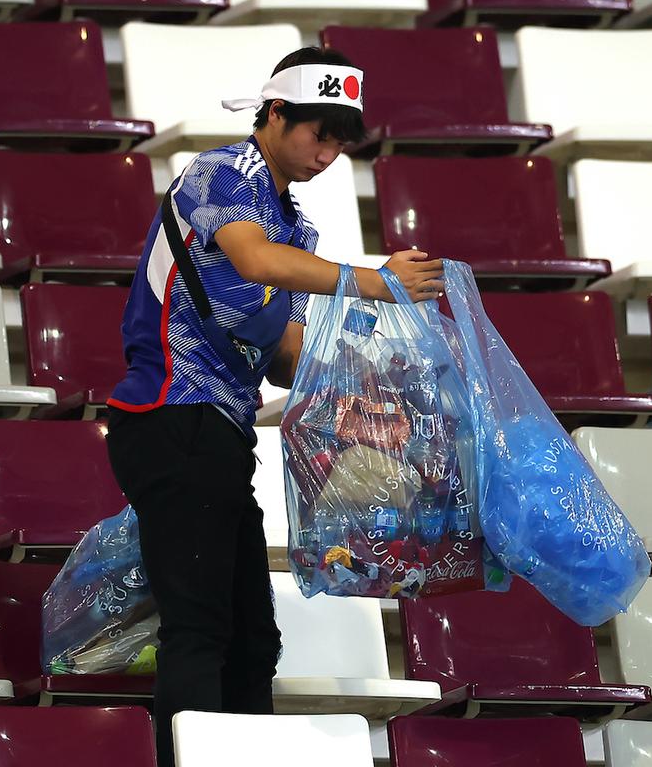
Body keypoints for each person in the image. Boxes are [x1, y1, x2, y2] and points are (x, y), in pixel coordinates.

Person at [105, 45, 444, 767]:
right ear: (276, 113)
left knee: (253, 639)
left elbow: (283, 354)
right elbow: (254, 263)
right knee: (198, 628)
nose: (326, 155)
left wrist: (378, 394)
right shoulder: (221, 171)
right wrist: (374, 281)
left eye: (340, 144)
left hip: (219, 431)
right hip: (171, 414)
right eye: (317, 134)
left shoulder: (297, 230)